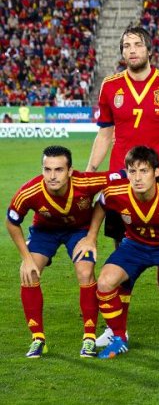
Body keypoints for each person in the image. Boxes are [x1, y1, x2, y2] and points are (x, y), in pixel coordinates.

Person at [87, 25, 159, 348]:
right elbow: (105, 133)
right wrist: (90, 173)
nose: (132, 50)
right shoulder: (110, 86)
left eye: (137, 44)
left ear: (149, 49)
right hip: (122, 185)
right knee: (123, 251)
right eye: (126, 45)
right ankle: (118, 329)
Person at [76, 146, 159, 359]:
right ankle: (119, 337)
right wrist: (91, 236)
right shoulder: (116, 192)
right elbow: (101, 203)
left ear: (156, 172)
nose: (137, 178)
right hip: (134, 246)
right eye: (132, 171)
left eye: (144, 171)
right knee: (105, 282)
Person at [6, 146, 120, 358]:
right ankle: (38, 339)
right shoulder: (29, 191)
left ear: (70, 171)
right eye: (47, 169)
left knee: (85, 272)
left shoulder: (85, 182)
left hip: (79, 231)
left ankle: (89, 337)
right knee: (29, 273)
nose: (52, 176)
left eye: (58, 169)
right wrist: (26, 258)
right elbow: (12, 222)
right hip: (44, 232)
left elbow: (124, 175)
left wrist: (91, 237)